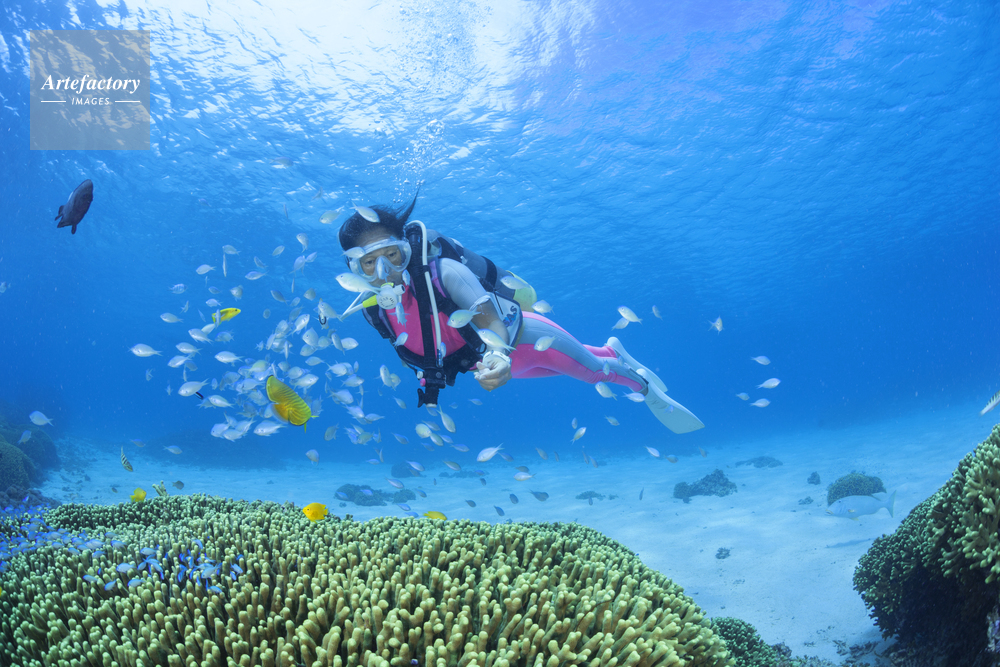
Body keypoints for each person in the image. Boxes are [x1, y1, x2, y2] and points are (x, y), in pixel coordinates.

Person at [336, 193, 704, 433]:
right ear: (354, 269)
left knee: (593, 374)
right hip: (507, 366)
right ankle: (612, 351)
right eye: (369, 263)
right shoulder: (374, 310)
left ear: (406, 249)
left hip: (526, 338)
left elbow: (490, 321)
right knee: (578, 365)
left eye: (392, 255)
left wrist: (499, 355)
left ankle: (643, 387)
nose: (385, 272)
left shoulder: (444, 273)